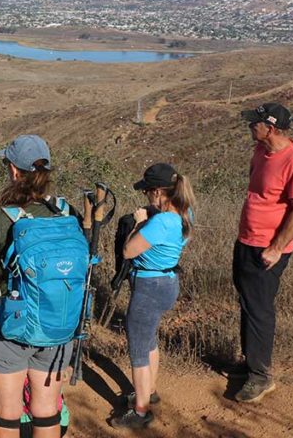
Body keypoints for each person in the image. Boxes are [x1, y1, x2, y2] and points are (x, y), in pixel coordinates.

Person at [0, 135, 77, 438]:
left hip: (10, 329)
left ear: (15, 172)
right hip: (58, 326)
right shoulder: (67, 213)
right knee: (46, 412)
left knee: (7, 415)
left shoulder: (0, 219)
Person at [110, 163, 194, 429]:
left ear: (158, 191)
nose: (145, 196)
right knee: (149, 340)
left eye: (147, 191)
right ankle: (149, 390)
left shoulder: (160, 222)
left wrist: (138, 224)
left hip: (149, 286)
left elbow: (129, 251)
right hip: (168, 282)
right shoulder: (184, 212)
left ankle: (141, 410)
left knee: (138, 349)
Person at [231, 103, 293, 403]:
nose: (250, 126)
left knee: (260, 308)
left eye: (255, 123)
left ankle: (261, 377)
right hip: (246, 241)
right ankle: (250, 361)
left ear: (270, 128)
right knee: (247, 301)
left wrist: (276, 248)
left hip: (268, 249)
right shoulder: (261, 151)